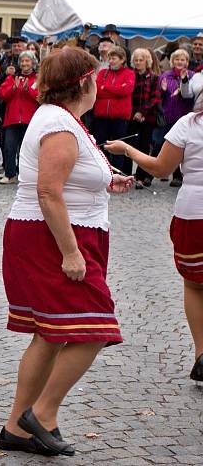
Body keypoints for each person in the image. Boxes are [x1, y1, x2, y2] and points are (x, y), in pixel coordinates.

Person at [0, 47, 133, 458]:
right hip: (51, 238)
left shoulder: (65, 120)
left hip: (57, 233)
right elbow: (47, 190)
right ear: (84, 84)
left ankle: (16, 428)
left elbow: (66, 178)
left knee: (50, 333)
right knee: (96, 327)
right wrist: (71, 253)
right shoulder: (59, 124)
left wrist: (105, 180)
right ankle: (42, 414)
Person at [105, 104, 203, 382]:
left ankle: (201, 354)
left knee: (195, 284)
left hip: (194, 212)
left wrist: (127, 150)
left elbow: (161, 168)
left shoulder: (190, 124)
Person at [91, 46, 135, 172]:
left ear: (122, 60)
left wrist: (106, 88)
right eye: (110, 58)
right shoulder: (102, 73)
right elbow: (97, 91)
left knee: (117, 148)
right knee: (101, 146)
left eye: (114, 58)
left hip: (119, 117)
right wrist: (114, 90)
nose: (110, 61)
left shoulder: (129, 73)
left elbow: (126, 91)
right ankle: (103, 172)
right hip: (101, 116)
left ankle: (116, 173)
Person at [0, 50, 39, 184]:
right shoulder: (11, 78)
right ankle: (10, 174)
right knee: (9, 147)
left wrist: (29, 90)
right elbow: (2, 95)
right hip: (12, 119)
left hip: (30, 120)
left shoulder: (37, 79)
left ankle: (25, 175)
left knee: (26, 150)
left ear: (33, 63)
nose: (24, 63)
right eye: (22, 61)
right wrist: (13, 88)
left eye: (27, 61)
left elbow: (41, 97)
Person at [158, 49, 195, 187]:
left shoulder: (192, 76)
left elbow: (191, 96)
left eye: (183, 59)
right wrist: (162, 90)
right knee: (167, 146)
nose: (180, 62)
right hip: (169, 117)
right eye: (177, 59)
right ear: (172, 61)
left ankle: (180, 176)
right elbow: (159, 97)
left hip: (185, 117)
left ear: (187, 61)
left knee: (184, 148)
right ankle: (169, 172)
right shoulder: (165, 76)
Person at [125, 48, 161, 188]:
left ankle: (141, 177)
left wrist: (142, 113)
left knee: (144, 147)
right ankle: (127, 175)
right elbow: (128, 96)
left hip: (147, 118)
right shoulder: (131, 76)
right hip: (131, 116)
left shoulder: (154, 77)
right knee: (129, 146)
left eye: (141, 60)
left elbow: (155, 98)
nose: (138, 63)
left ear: (147, 61)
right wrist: (135, 113)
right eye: (136, 60)